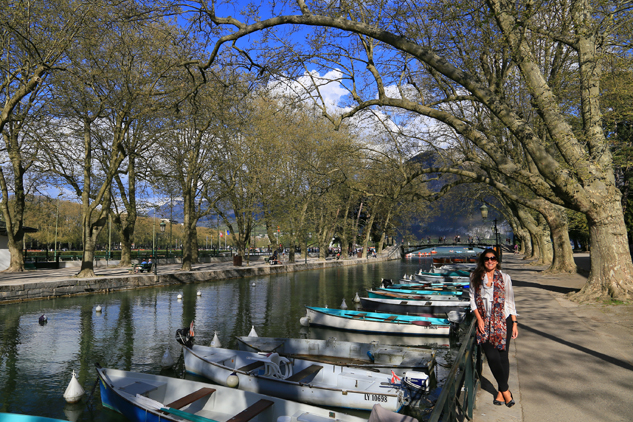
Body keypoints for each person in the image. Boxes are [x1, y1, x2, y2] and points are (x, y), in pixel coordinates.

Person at [469, 248, 518, 408]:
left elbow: (510, 301)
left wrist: (515, 322)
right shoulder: (475, 276)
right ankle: (506, 391)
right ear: (483, 261)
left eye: (493, 258)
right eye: (487, 259)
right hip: (484, 321)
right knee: (491, 356)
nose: (490, 261)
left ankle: (500, 392)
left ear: (497, 260)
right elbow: (472, 300)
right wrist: (479, 319)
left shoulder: (505, 277)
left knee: (503, 356)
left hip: (504, 321)